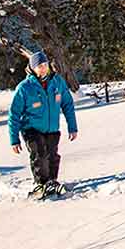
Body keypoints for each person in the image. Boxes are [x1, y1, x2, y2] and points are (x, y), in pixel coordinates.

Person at [8, 50, 78, 198]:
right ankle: (41, 184)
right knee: (39, 154)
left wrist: (72, 127)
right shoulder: (25, 88)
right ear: (32, 68)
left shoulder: (57, 82)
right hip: (31, 128)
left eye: (45, 64)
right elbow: (14, 114)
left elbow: (67, 105)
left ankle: (52, 182)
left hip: (52, 128)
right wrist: (14, 139)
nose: (43, 68)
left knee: (52, 156)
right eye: (39, 66)